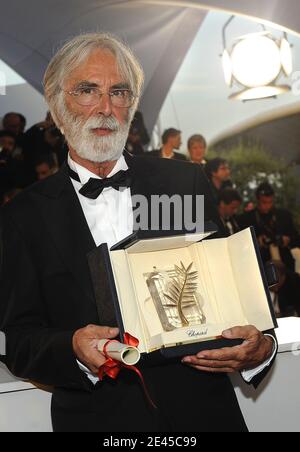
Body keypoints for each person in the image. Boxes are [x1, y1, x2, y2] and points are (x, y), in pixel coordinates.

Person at [0, 32, 275, 433]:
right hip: (98, 423)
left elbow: (235, 297)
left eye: (119, 92)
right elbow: (17, 338)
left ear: (132, 105)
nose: (106, 108)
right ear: (57, 106)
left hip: (205, 416)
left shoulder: (186, 183)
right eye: (87, 90)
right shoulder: (22, 216)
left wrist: (260, 347)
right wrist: (72, 348)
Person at [238, 183, 300, 272]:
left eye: (270, 202)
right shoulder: (247, 219)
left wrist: (287, 240)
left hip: (285, 264)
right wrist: (257, 241)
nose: (267, 205)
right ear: (257, 200)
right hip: (261, 266)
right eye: (264, 202)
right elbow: (242, 245)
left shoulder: (284, 215)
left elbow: (296, 239)